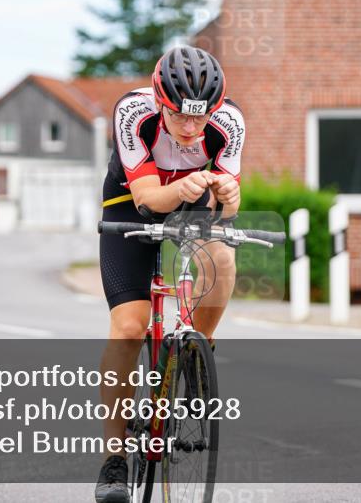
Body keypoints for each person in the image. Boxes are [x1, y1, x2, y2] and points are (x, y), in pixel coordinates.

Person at [94, 46, 243, 503]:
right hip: (130, 201)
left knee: (222, 257)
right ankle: (114, 459)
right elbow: (146, 198)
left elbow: (228, 211)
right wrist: (178, 187)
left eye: (201, 118)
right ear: (161, 100)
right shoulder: (133, 111)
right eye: (180, 116)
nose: (191, 128)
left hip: (193, 199)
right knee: (129, 326)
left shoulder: (229, 122)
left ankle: (198, 354)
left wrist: (229, 193)